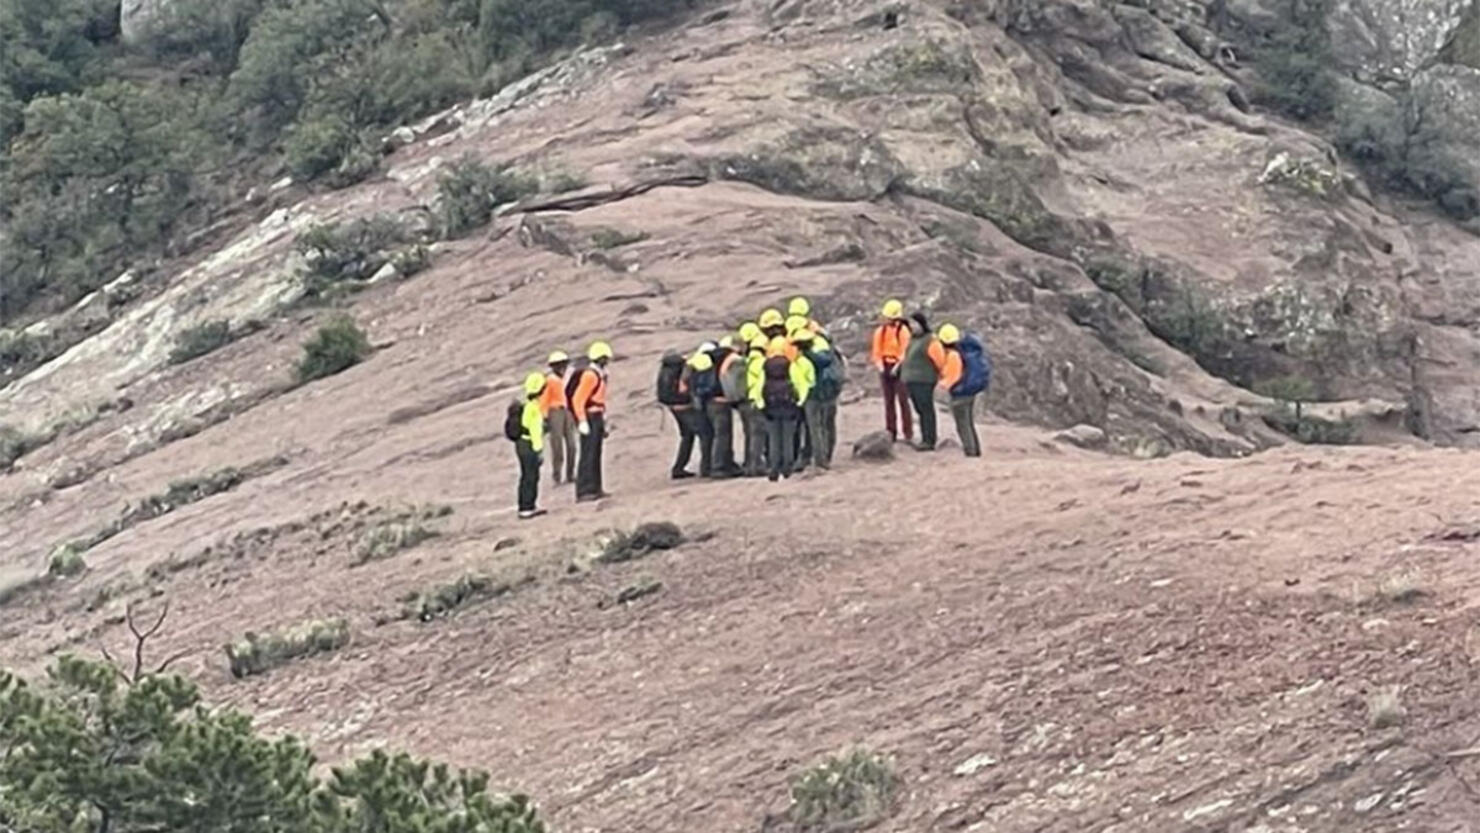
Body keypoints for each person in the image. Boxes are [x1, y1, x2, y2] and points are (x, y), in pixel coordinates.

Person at [937, 324, 988, 458]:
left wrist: (941, 385)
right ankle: (975, 450)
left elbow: (953, 376)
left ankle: (970, 452)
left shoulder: (953, 355)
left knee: (962, 425)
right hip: (969, 392)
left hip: (960, 393)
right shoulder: (964, 353)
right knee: (968, 422)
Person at [570, 340, 612, 502]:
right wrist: (582, 420)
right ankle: (585, 490)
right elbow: (578, 399)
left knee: (595, 453)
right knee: (588, 453)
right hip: (589, 417)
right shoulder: (590, 376)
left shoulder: (599, 374)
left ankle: (595, 487)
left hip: (597, 415)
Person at [898, 312, 946, 450]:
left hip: (924, 380)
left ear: (922, 324)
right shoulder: (913, 340)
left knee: (926, 410)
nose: (912, 326)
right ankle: (924, 437)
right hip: (912, 380)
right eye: (911, 324)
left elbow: (940, 361)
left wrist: (942, 378)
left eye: (915, 323)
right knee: (919, 409)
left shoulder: (931, 341)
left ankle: (929, 440)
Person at [657, 349, 708, 479]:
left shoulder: (664, 370)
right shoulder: (678, 370)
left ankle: (679, 468)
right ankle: (706, 466)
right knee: (704, 433)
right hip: (683, 407)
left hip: (673, 407)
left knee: (687, 436)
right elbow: (683, 389)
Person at [796, 328, 843, 469]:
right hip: (829, 391)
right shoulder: (828, 348)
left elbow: (822, 362)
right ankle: (824, 458)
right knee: (826, 426)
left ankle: (820, 461)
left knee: (816, 428)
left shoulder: (811, 354)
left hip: (815, 393)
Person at [760, 336, 803, 481]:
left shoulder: (765, 365)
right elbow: (797, 383)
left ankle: (773, 469)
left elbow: (760, 386)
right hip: (788, 406)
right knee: (788, 439)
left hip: (771, 407)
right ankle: (787, 469)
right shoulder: (790, 364)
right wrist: (799, 402)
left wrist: (762, 405)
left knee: (774, 439)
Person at [870, 299, 913, 443]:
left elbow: (904, 351)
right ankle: (891, 432)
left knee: (903, 401)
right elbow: (876, 351)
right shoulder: (880, 332)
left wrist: (897, 366)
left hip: (900, 368)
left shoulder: (903, 331)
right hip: (885, 366)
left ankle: (908, 433)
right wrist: (881, 366)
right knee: (889, 402)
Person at [508, 372, 547, 519]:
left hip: (520, 444)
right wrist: (539, 451)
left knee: (525, 475)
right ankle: (528, 507)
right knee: (531, 475)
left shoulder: (525, 406)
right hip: (528, 444)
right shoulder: (534, 408)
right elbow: (535, 431)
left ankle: (525, 506)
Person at [540, 350, 578, 485]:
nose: (562, 367)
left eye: (563, 364)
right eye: (558, 365)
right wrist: (545, 417)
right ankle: (557, 475)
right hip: (555, 412)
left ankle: (570, 474)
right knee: (557, 446)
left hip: (568, 411)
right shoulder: (549, 380)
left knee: (572, 445)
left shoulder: (567, 378)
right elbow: (544, 400)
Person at [711, 336, 743, 477]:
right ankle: (719, 466)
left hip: (711, 401)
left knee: (719, 435)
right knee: (723, 435)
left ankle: (723, 463)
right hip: (722, 401)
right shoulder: (731, 359)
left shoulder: (712, 359)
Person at [742, 334, 769, 476]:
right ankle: (756, 465)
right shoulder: (760, 362)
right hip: (758, 401)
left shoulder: (747, 361)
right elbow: (761, 383)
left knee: (752, 435)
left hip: (749, 400)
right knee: (758, 435)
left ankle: (751, 465)